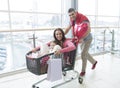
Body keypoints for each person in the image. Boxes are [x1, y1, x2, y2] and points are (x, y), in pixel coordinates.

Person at [64, 8, 97, 76]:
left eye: (72, 14)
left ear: (76, 12)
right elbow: (67, 28)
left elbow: (89, 30)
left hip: (87, 38)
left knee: (83, 54)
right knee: (85, 53)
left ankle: (83, 71)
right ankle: (94, 62)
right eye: (70, 15)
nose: (71, 16)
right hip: (80, 39)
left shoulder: (83, 18)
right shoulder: (72, 20)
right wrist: (62, 35)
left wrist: (81, 38)